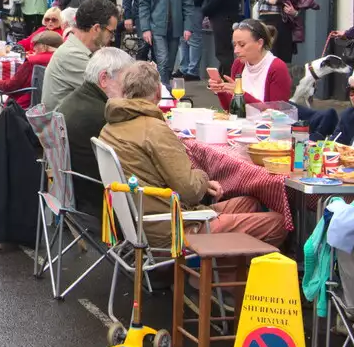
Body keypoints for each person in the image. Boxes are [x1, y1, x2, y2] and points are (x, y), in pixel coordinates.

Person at [99, 62, 286, 246]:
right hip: (172, 228)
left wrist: (201, 184)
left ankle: (222, 271)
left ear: (125, 92)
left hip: (145, 220)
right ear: (158, 92)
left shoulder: (110, 127)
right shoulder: (154, 129)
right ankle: (217, 272)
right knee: (279, 223)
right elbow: (190, 191)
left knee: (249, 203)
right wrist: (204, 177)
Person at [53, 46, 134, 215]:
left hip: (74, 197)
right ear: (104, 78)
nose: (129, 90)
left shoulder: (75, 99)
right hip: (103, 206)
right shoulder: (103, 115)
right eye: (125, 83)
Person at [40, 0, 119, 111]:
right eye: (111, 32)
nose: (112, 38)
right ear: (96, 28)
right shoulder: (72, 55)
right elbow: (111, 92)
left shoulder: (80, 50)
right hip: (65, 127)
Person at [208, 19, 293, 108]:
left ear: (260, 43)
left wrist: (241, 94)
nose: (236, 51)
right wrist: (221, 90)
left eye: (242, 45)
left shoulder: (277, 68)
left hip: (266, 121)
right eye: (234, 45)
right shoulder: (238, 64)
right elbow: (232, 109)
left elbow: (277, 114)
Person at [0, 29, 62, 109]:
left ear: (43, 46)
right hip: (55, 106)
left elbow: (9, 86)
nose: (34, 48)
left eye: (35, 45)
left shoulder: (32, 62)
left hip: (25, 106)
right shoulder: (62, 60)